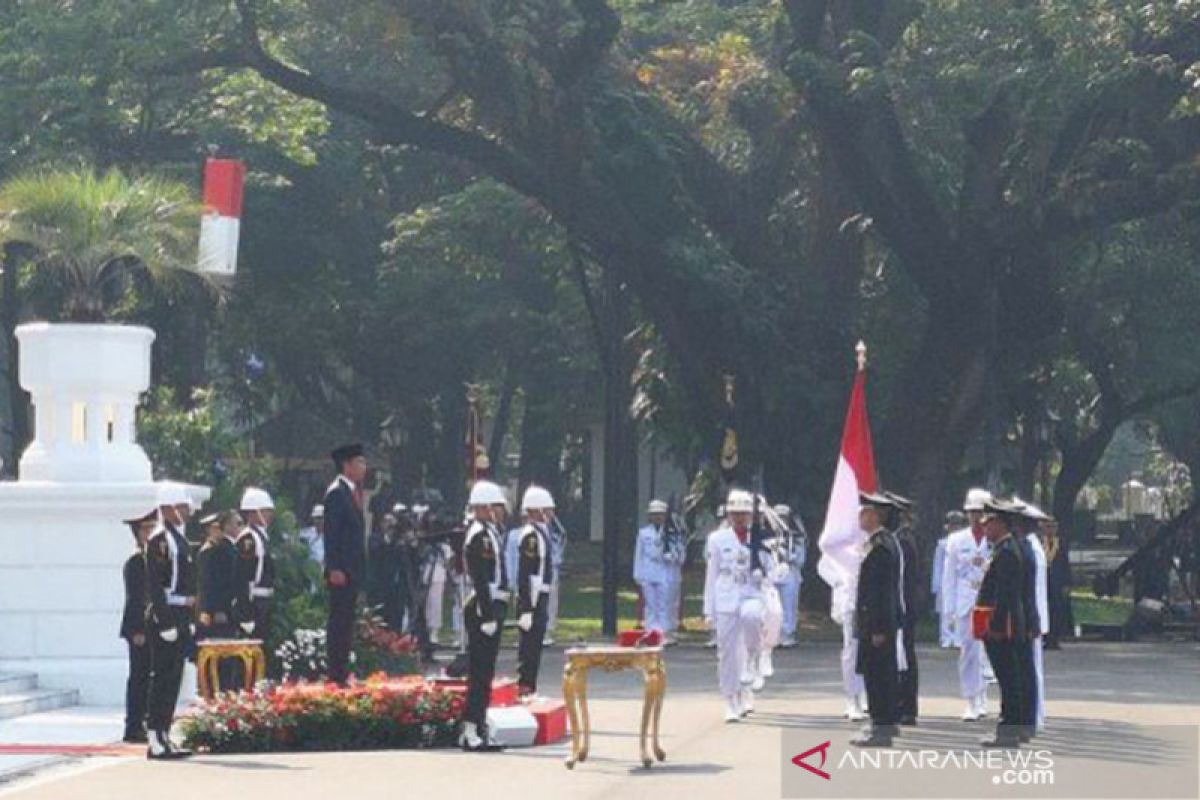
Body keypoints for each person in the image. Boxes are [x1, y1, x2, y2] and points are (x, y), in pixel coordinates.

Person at [703, 489, 771, 722]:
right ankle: (731, 697)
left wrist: (769, 572)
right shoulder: (717, 539)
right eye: (735, 513)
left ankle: (753, 658)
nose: (739, 518)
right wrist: (708, 610)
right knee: (727, 652)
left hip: (751, 590)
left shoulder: (761, 537)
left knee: (752, 618)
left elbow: (772, 565)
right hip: (726, 595)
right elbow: (711, 575)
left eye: (744, 513)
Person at [143, 484, 195, 759]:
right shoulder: (160, 540)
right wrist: (165, 622)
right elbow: (155, 584)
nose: (187, 511)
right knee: (161, 677)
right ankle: (154, 736)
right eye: (183, 506)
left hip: (180, 614)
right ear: (168, 508)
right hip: (166, 615)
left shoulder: (178, 538)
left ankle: (164, 732)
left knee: (174, 677)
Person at [459, 480, 510, 751]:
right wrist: (488, 613)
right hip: (482, 607)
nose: (500, 512)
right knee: (479, 672)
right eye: (496, 507)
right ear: (485, 507)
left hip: (489, 604)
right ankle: (470, 729)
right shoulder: (479, 535)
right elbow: (480, 577)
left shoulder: (489, 532)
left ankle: (479, 725)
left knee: (486, 671)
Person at [974, 498, 1028, 748]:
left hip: (1002, 625)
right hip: (1002, 623)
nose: (984, 527)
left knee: (1008, 679)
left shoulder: (1007, 552)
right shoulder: (1004, 549)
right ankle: (1011, 728)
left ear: (1000, 524)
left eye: (989, 523)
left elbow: (1005, 595)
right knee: (1009, 678)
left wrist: (994, 626)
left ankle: (1008, 730)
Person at [851, 493, 903, 748]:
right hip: (874, 621)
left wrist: (878, 627)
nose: (860, 516)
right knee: (879, 673)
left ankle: (881, 726)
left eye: (865, 512)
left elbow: (881, 592)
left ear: (876, 515)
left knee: (878, 676)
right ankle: (884, 722)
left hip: (878, 623)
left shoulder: (881, 546)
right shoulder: (879, 543)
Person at [942, 488, 993, 721]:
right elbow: (949, 577)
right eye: (972, 512)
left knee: (987, 651)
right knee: (968, 652)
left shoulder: (995, 539)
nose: (976, 517)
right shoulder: (956, 540)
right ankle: (971, 700)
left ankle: (983, 696)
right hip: (965, 601)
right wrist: (949, 610)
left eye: (980, 512)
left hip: (988, 602)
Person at [323, 444, 367, 685]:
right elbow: (332, 534)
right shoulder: (336, 493)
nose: (364, 467)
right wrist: (334, 567)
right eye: (359, 462)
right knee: (339, 621)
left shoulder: (352, 492)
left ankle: (342, 670)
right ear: (347, 465)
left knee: (347, 621)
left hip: (353, 569)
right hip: (341, 571)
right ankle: (335, 673)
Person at [515, 485, 556, 697]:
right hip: (532, 596)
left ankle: (530, 686)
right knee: (528, 648)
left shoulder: (541, 532)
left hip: (540, 594)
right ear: (537, 510)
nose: (551, 514)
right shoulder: (531, 535)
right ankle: (525, 687)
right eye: (548, 509)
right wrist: (527, 608)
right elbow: (526, 573)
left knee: (535, 645)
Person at [120, 508, 155, 744]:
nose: (151, 532)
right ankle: (133, 725)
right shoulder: (135, 562)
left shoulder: (153, 559)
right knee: (139, 677)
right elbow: (135, 598)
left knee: (150, 676)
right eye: (146, 528)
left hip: (153, 626)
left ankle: (144, 720)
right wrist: (138, 630)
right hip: (139, 628)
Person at [1015, 500, 1050, 736]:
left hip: (1030, 617)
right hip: (1033, 616)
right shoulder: (1031, 545)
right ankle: (1033, 716)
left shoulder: (1029, 548)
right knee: (1030, 669)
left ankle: (1033, 717)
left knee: (1030, 670)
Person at [196, 511, 241, 691]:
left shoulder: (226, 548)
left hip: (228, 609)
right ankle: (216, 691)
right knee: (219, 655)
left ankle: (226, 689)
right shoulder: (212, 551)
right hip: (217, 611)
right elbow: (211, 584)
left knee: (228, 655)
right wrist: (215, 610)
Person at [885, 492, 919, 726]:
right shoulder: (896, 539)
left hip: (903, 606)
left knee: (903, 656)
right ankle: (898, 702)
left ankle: (906, 705)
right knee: (898, 656)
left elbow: (904, 581)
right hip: (900, 605)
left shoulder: (903, 541)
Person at [235, 488, 276, 640]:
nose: (269, 515)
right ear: (252, 512)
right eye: (265, 510)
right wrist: (246, 614)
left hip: (263, 602)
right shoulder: (248, 539)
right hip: (254, 604)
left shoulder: (262, 536)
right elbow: (243, 578)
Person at [773, 504, 807, 649]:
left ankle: (787, 634)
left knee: (789, 605)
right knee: (772, 606)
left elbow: (801, 559)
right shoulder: (767, 535)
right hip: (773, 574)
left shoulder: (797, 536)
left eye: (784, 517)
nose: (782, 520)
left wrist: (790, 556)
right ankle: (773, 634)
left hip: (790, 573)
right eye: (779, 517)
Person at [635, 500, 670, 633]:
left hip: (663, 569)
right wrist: (637, 574)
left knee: (663, 603)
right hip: (648, 570)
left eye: (660, 514)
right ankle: (650, 630)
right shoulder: (643, 533)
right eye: (654, 514)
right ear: (650, 516)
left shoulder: (669, 532)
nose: (657, 517)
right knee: (650, 603)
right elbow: (639, 554)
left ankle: (662, 631)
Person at [932, 512, 965, 648]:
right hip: (945, 580)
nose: (955, 528)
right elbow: (938, 564)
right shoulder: (942, 544)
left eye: (957, 525)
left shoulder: (964, 543)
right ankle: (945, 637)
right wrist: (936, 584)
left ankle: (958, 637)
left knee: (959, 608)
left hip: (960, 580)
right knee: (945, 609)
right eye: (953, 525)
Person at [544, 509, 568, 646]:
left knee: (552, 601)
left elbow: (563, 533)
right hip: (540, 568)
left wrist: (553, 517)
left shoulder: (554, 535)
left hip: (553, 568)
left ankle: (549, 630)